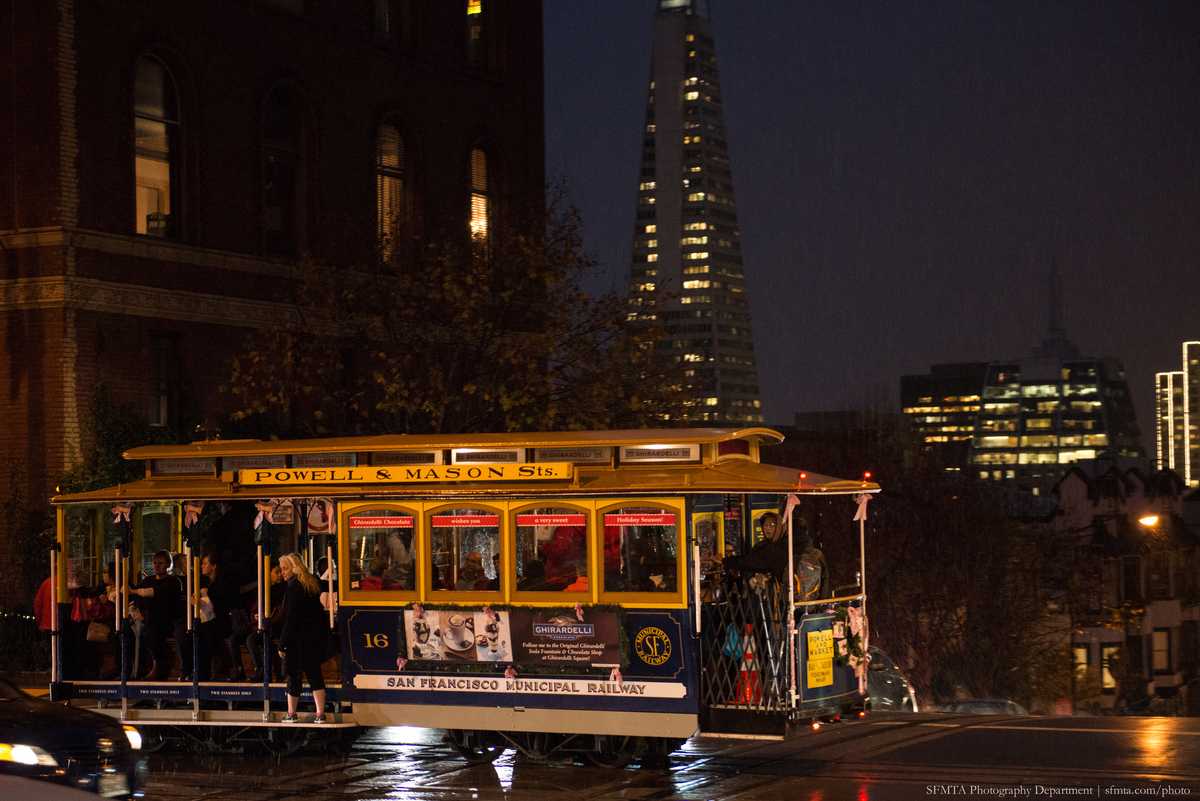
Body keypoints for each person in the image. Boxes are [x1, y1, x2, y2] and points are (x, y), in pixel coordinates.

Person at [277, 553, 327, 723]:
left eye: (285, 569)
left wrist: (282, 644)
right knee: (315, 675)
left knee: (294, 676)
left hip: (297, 641)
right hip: (313, 639)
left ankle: (291, 713)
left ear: (294, 568)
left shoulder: (293, 588)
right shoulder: (311, 582)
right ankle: (320, 714)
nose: (282, 573)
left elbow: (290, 619)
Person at [128, 551, 183, 680]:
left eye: (161, 563)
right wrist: (134, 612)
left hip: (165, 621)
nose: (157, 566)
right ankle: (133, 667)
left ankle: (156, 665)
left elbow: (153, 592)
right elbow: (133, 600)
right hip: (146, 619)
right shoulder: (147, 580)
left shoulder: (173, 582)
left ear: (168, 565)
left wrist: (133, 590)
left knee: (149, 631)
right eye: (155, 563)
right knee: (124, 629)